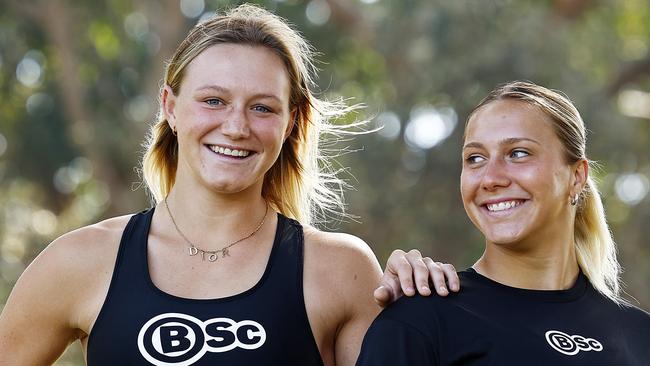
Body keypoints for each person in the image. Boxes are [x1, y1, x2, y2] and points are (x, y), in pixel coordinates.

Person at [0, 5, 459, 366]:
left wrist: (420, 312)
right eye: (214, 101)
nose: (236, 127)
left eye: (262, 107)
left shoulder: (340, 269)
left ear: (290, 122)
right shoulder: (80, 261)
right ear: (171, 107)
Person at [356, 81, 650, 365]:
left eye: (518, 153)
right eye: (475, 158)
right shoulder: (418, 322)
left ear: (577, 177)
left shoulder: (640, 335)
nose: (491, 178)